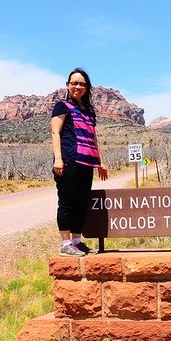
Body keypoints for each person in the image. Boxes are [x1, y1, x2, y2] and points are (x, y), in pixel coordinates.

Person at [51, 67, 108, 256]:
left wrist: (101, 161)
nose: (78, 86)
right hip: (69, 161)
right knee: (67, 201)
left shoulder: (89, 110)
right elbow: (55, 132)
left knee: (81, 202)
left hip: (87, 163)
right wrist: (58, 158)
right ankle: (66, 244)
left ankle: (77, 241)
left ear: (87, 87)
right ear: (67, 86)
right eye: (74, 83)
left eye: (82, 84)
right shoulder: (62, 106)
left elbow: (94, 137)